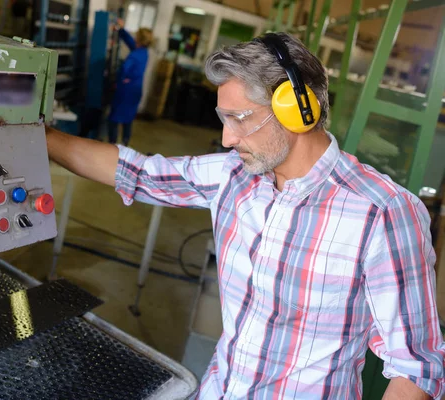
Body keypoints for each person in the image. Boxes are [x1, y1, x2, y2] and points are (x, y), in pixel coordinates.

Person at [44, 32, 445, 399]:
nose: (227, 138)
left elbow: (415, 367)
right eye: (224, 118)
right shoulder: (235, 177)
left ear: (297, 109)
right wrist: (36, 136)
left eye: (240, 118)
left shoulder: (382, 213)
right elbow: (139, 172)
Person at [107, 20, 152, 146]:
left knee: (114, 119)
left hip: (125, 91)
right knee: (128, 119)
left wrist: (118, 80)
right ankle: (125, 144)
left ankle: (113, 146)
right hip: (136, 91)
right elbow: (131, 43)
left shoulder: (134, 56)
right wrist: (121, 30)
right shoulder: (143, 52)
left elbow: (124, 70)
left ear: (139, 38)